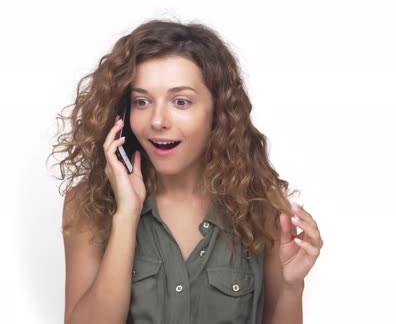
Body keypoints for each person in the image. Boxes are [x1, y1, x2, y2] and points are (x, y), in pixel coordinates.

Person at [49, 18, 323, 324]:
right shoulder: (88, 206)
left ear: (217, 112)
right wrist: (126, 216)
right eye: (142, 101)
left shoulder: (262, 209)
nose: (157, 120)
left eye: (181, 101)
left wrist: (291, 287)